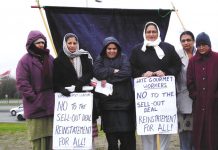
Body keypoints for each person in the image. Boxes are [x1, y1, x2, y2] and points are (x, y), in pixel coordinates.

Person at [130, 21, 181, 150]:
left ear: (158, 33)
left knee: (164, 129)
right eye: (148, 32)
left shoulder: (168, 48)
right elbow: (131, 68)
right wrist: (142, 73)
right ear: (144, 33)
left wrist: (166, 72)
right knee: (148, 130)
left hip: (164, 99)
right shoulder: (137, 50)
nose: (151, 34)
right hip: (146, 101)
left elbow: (177, 65)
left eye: (154, 32)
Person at [53, 33, 98, 146]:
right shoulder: (58, 60)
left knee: (87, 133)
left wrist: (81, 82)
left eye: (74, 43)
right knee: (72, 132)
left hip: (84, 99)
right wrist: (61, 89)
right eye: (69, 43)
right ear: (65, 44)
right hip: (68, 103)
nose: (72, 45)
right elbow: (55, 81)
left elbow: (89, 73)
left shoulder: (84, 56)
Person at [93, 37, 136, 150]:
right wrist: (113, 71)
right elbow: (97, 72)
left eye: (114, 48)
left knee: (128, 141)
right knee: (112, 143)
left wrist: (107, 79)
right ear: (104, 49)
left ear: (118, 49)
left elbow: (127, 73)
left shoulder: (124, 57)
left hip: (125, 106)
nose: (112, 51)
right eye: (109, 48)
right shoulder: (99, 59)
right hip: (108, 107)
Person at [16, 30, 54, 150]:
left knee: (51, 140)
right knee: (38, 142)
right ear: (31, 43)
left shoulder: (50, 58)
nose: (41, 45)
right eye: (38, 42)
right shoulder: (24, 61)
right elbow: (22, 83)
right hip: (35, 108)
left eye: (43, 42)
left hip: (50, 106)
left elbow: (58, 77)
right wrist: (34, 98)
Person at [187, 32, 218, 150]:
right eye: (199, 45)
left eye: (204, 45)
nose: (201, 47)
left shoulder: (216, 58)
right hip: (199, 104)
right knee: (200, 133)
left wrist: (215, 96)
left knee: (213, 132)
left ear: (209, 45)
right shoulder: (193, 61)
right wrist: (195, 95)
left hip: (214, 104)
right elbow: (189, 81)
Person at [176, 31, 196, 150]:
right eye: (183, 40)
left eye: (188, 40)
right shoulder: (176, 55)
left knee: (198, 134)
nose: (186, 42)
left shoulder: (200, 53)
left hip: (200, 101)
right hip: (184, 100)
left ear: (193, 41)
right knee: (185, 134)